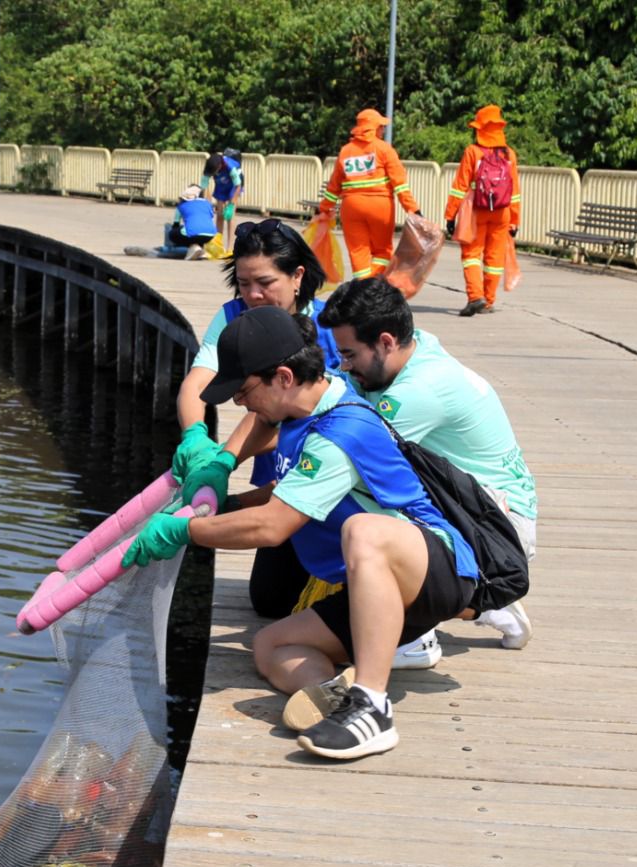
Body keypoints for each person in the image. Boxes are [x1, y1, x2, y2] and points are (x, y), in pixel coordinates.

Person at [127, 307, 478, 761]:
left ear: (284, 377)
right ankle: (336, 696)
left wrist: (185, 530)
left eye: (244, 390)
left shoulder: (341, 429)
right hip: (382, 587)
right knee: (271, 645)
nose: (239, 404)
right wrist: (226, 493)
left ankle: (373, 708)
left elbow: (273, 526)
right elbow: (283, 487)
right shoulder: (303, 409)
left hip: (437, 569)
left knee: (363, 530)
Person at [316, 276, 536, 667]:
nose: (345, 368)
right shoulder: (413, 347)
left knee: (344, 494)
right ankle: (481, 601)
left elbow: (347, 462)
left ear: (386, 342)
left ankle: (416, 634)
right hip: (479, 508)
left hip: (498, 529)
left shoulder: (417, 392)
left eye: (350, 356)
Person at [171, 218, 345, 620]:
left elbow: (284, 421)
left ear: (297, 275)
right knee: (270, 602)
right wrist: (196, 436)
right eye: (244, 282)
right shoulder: (235, 314)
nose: (252, 294)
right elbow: (197, 383)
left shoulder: (332, 327)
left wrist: (228, 458)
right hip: (280, 480)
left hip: (329, 476)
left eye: (264, 282)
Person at [319, 108, 420, 281]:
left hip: (351, 207)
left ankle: (362, 288)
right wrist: (413, 210)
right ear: (374, 128)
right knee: (382, 251)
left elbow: (334, 186)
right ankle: (371, 285)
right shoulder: (384, 149)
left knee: (358, 252)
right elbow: (400, 184)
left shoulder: (346, 151)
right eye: (381, 126)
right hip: (380, 207)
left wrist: (323, 209)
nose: (383, 130)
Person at [444, 105, 522, 316]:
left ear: (480, 129)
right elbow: (515, 191)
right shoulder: (509, 154)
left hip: (476, 211)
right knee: (495, 257)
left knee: (471, 254)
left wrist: (450, 216)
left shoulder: (473, 152)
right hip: (502, 212)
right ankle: (488, 301)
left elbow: (460, 186)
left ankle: (474, 296)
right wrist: (515, 220)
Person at [209, 147, 244, 246]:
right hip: (221, 185)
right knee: (220, 214)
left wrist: (231, 205)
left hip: (234, 186)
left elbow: (238, 186)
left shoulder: (230, 167)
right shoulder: (210, 167)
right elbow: (204, 185)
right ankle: (218, 244)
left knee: (230, 216)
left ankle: (230, 247)